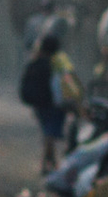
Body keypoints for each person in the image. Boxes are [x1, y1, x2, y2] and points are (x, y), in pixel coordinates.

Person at [21, 35, 82, 174]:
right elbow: (68, 82)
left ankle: (51, 162)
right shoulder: (59, 64)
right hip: (56, 104)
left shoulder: (35, 62)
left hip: (40, 105)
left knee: (48, 133)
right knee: (50, 134)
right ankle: (47, 163)